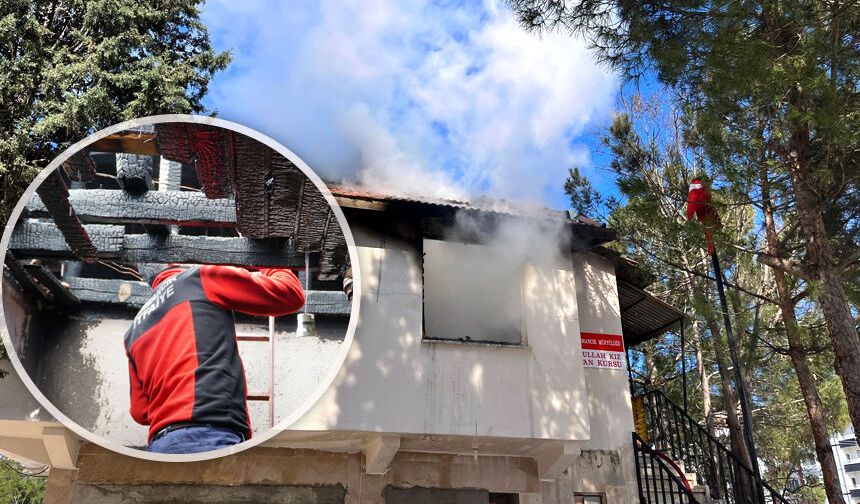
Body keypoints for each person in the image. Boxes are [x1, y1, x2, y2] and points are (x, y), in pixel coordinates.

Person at [124, 264, 305, 454]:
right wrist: (268, 260)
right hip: (210, 435)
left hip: (161, 445)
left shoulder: (134, 330)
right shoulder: (198, 278)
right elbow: (290, 294)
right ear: (181, 261)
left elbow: (140, 413)